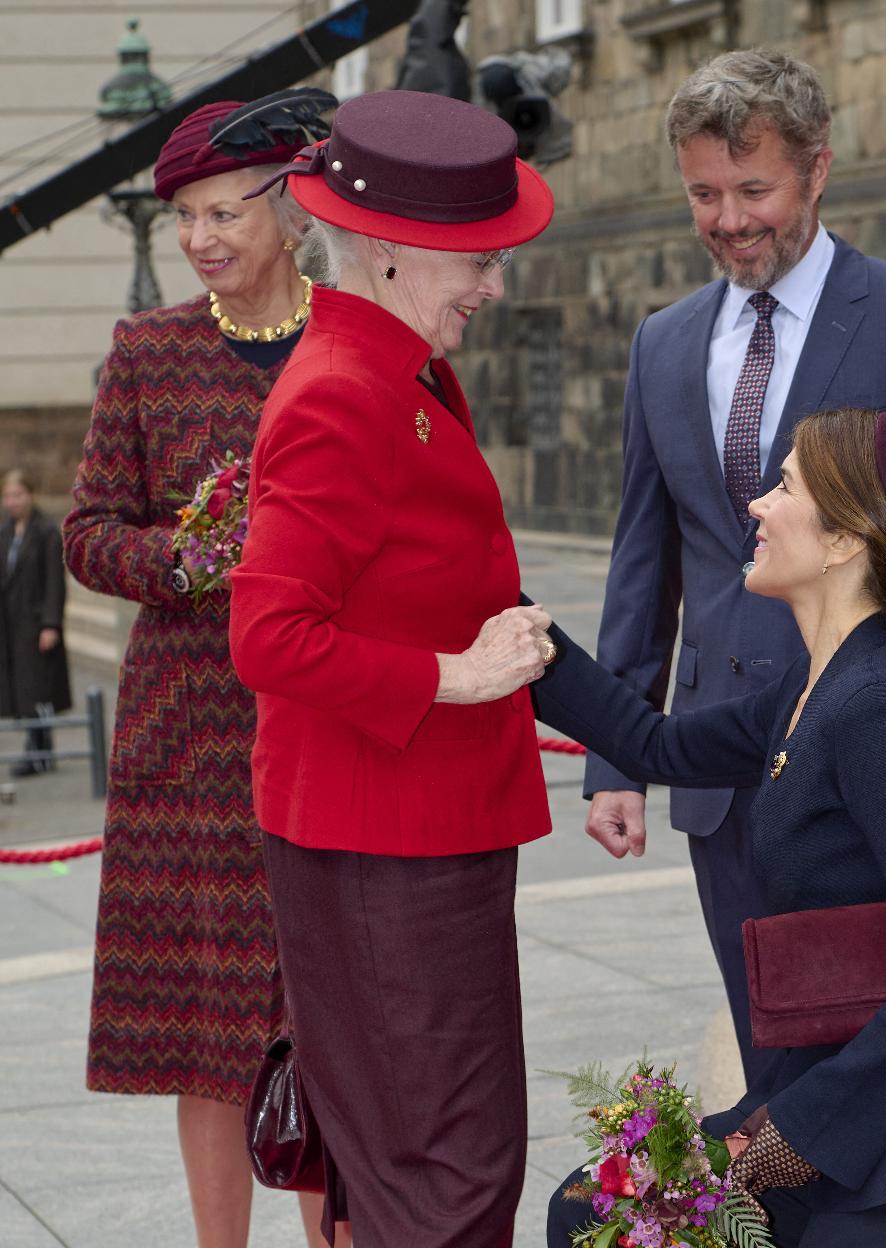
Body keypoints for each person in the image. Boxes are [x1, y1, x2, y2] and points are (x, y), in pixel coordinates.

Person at [582, 47, 886, 1086]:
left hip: (883, 756)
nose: (730, 218)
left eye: (755, 189)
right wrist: (617, 757)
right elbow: (642, 557)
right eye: (704, 193)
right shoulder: (662, 343)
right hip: (723, 774)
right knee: (767, 1053)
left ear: (818, 170)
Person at [538, 408, 886, 1248]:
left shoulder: (875, 706)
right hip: (848, 1106)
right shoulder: (818, 680)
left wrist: (804, 1127)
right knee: (585, 1209)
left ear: (842, 542)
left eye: (783, 485)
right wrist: (523, 632)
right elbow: (656, 742)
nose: (755, 505)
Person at [227, 90, 557, 1247]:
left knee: (416, 1168)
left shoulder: (396, 367)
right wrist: (452, 677)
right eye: (475, 257)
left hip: (414, 832)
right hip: (388, 844)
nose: (493, 283)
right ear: (381, 250)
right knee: (447, 1178)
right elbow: (268, 635)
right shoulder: (345, 392)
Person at [62, 92, 343, 1248]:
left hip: (331, 722)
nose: (202, 237)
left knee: (336, 1024)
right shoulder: (149, 352)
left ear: (290, 209)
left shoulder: (363, 339)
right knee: (208, 1030)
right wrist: (187, 557)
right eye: (185, 217)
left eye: (224, 211)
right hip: (188, 743)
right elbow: (88, 531)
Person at [0, 468, 71, 776]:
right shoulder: (5, 532)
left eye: (18, 494)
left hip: (36, 624)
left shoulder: (45, 532)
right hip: (11, 625)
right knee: (22, 688)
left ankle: (40, 752)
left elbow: (55, 582)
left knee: (38, 689)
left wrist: (50, 624)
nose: (12, 501)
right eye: (7, 496)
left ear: (30, 495)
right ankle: (33, 747)